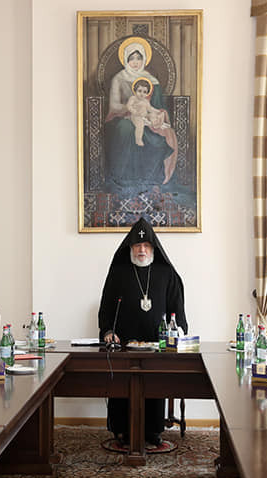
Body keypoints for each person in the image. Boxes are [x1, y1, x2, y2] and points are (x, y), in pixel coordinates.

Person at [99, 217, 187, 446]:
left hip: (157, 345)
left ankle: (153, 430)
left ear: (153, 248)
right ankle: (121, 429)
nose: (142, 250)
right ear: (130, 247)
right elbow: (106, 308)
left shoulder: (166, 273)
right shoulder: (118, 272)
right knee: (122, 387)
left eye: (146, 245)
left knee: (154, 385)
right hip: (123, 345)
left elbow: (177, 309)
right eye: (137, 245)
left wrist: (178, 331)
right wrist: (108, 330)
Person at [105, 37, 178, 188]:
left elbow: (157, 106)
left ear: (144, 59)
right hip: (123, 117)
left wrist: (159, 115)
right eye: (132, 58)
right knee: (126, 128)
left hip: (147, 117)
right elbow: (114, 106)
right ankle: (124, 176)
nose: (136, 62)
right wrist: (131, 108)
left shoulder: (152, 80)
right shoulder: (119, 78)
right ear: (126, 59)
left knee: (164, 133)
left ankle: (149, 178)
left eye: (139, 58)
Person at [127, 78, 169, 147]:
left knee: (152, 115)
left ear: (147, 93)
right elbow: (129, 106)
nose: (142, 94)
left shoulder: (145, 101)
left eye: (144, 92)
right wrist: (135, 111)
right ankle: (138, 139)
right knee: (140, 124)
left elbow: (150, 108)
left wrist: (158, 111)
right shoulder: (133, 98)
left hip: (145, 115)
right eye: (139, 91)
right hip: (136, 116)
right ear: (135, 90)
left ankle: (156, 123)